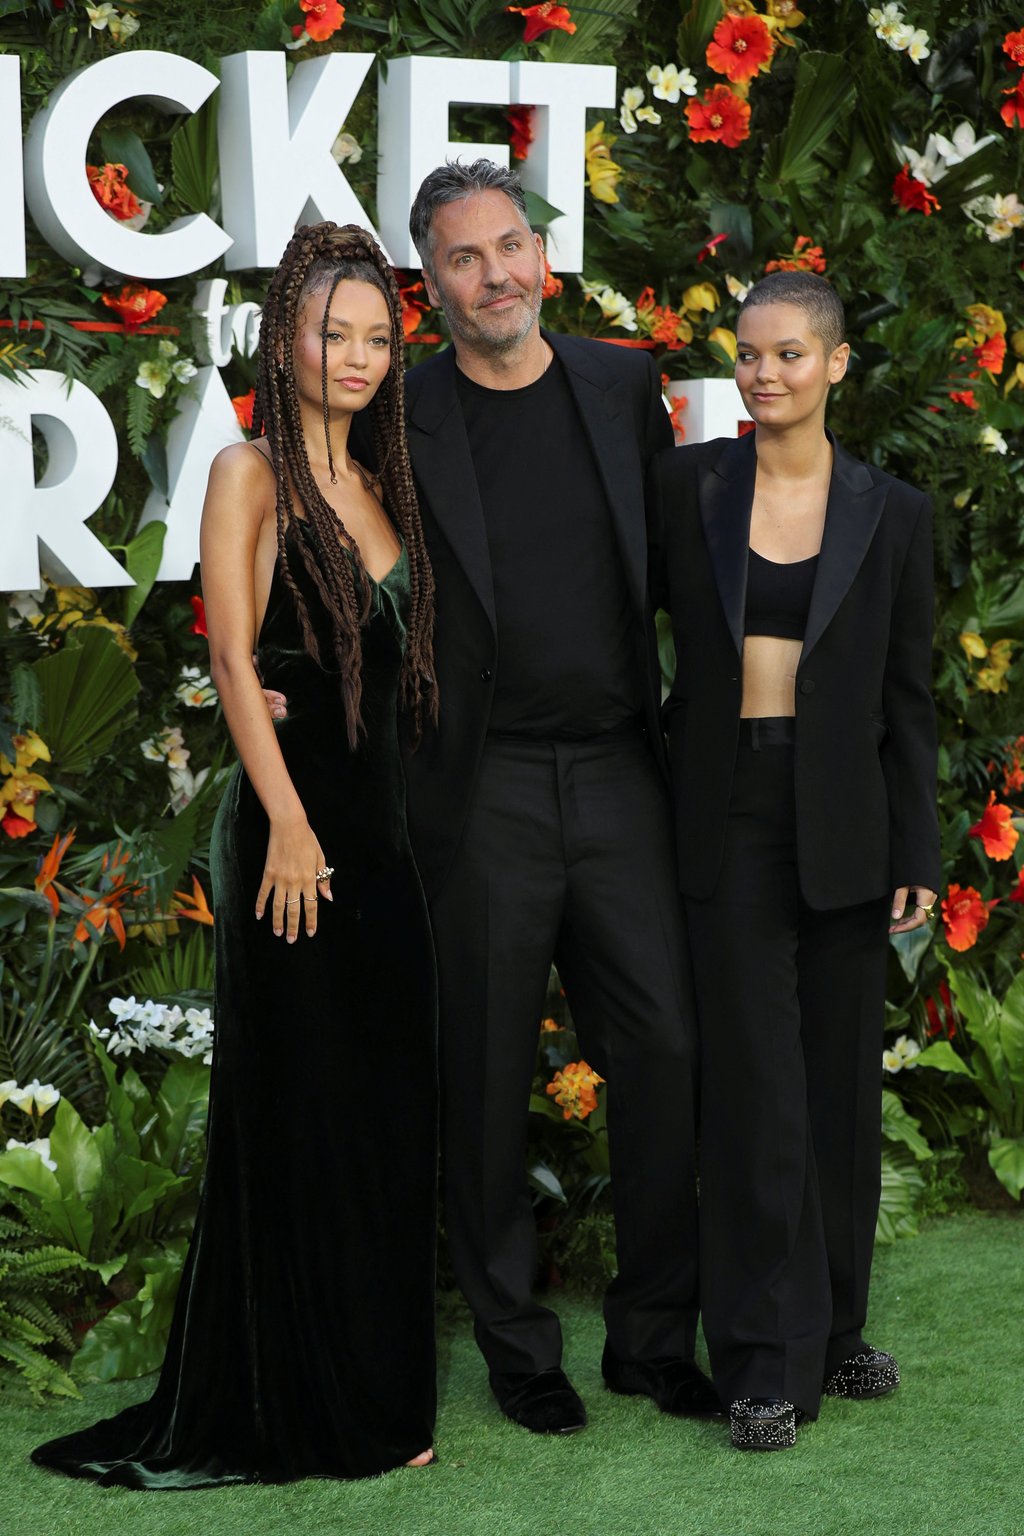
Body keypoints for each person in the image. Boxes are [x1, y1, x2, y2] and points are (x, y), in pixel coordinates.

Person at [32, 223, 440, 1486]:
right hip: (293, 830)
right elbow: (229, 659)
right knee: (304, 1113)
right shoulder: (247, 471)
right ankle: (306, 1410)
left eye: (377, 335)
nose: (359, 355)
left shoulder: (383, 481)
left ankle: (377, 1397)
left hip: (380, 838)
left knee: (378, 1117)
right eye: (334, 330)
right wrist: (295, 826)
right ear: (287, 335)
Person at [398, 160, 714, 1434]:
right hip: (487, 791)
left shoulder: (619, 381)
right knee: (482, 1078)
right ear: (430, 288)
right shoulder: (402, 413)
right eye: (464, 261)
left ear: (542, 252)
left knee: (667, 1054)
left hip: (622, 773)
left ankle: (650, 1339)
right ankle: (520, 1351)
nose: (496, 277)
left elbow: (675, 569)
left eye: (510, 246)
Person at [647, 270, 940, 1450]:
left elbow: (907, 697)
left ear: (832, 366)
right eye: (748, 354)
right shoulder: (690, 486)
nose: (763, 374)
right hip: (723, 813)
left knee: (835, 1090)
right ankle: (763, 1361)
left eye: (786, 355)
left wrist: (917, 842)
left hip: (846, 825)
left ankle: (837, 1329)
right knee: (759, 1094)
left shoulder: (893, 510)